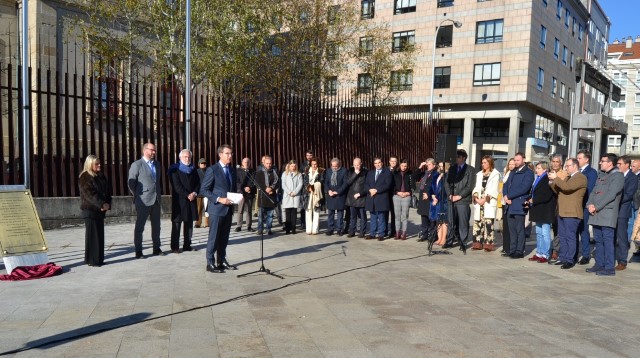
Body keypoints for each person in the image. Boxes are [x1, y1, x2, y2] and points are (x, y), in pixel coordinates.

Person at [585, 153, 624, 276]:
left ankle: (609, 267)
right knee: (598, 240)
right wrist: (589, 205)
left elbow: (611, 194)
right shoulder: (601, 175)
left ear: (610, 163)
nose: (600, 163)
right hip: (595, 212)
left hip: (607, 212)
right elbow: (593, 192)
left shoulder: (618, 176)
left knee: (607, 240)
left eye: (603, 161)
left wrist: (596, 206)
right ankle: (599, 264)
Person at [201, 144, 237, 273]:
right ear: (220, 154)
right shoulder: (212, 170)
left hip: (228, 209)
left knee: (224, 237)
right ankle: (210, 263)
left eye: (231, 153)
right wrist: (219, 199)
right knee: (214, 237)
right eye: (227, 153)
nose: (230, 156)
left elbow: (231, 188)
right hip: (216, 209)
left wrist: (238, 197)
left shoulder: (232, 170)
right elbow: (204, 190)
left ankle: (221, 261)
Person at [548, 158, 586, 269]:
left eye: (568, 166)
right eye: (566, 166)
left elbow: (567, 188)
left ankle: (570, 259)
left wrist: (557, 178)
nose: (566, 168)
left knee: (570, 237)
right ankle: (563, 257)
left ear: (575, 166)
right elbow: (559, 191)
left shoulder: (580, 177)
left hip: (572, 212)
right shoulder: (568, 177)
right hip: (562, 211)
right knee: (562, 237)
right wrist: (552, 182)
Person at [128, 142, 164, 258]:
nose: (154, 152)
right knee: (140, 227)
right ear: (145, 150)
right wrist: (137, 196)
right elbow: (131, 183)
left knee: (156, 226)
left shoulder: (157, 164)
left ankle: (156, 248)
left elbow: (156, 181)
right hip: (143, 200)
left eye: (155, 150)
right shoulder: (137, 164)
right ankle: (138, 251)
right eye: (152, 150)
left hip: (156, 200)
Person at [79, 155, 112, 267]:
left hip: (100, 211)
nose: (99, 165)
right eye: (96, 164)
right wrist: (101, 204)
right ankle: (93, 260)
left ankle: (99, 259)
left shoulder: (101, 176)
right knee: (92, 235)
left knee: (99, 235)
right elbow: (89, 194)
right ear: (90, 164)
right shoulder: (85, 177)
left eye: (99, 163)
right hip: (90, 210)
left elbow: (107, 191)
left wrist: (107, 203)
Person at [502, 152, 534, 259]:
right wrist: (506, 196)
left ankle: (519, 251)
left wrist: (510, 196)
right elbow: (505, 185)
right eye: (515, 160)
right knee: (511, 229)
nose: (515, 162)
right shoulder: (512, 172)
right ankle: (512, 249)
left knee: (519, 229)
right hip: (509, 204)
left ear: (523, 160)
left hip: (518, 204)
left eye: (518, 160)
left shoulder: (528, 173)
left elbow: (524, 188)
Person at [168, 149, 200, 253]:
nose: (187, 159)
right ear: (180, 158)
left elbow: (198, 183)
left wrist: (194, 193)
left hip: (191, 200)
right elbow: (176, 186)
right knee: (177, 224)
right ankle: (175, 246)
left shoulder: (193, 169)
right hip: (179, 201)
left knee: (189, 224)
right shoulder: (175, 169)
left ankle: (187, 245)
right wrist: (187, 194)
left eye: (189, 157)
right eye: (185, 157)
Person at [444, 149, 475, 249]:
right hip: (451, 199)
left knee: (463, 223)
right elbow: (446, 182)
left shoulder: (470, 170)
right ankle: (449, 241)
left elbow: (470, 186)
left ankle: (463, 242)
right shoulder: (452, 168)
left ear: (463, 158)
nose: (456, 159)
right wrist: (449, 194)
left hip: (463, 200)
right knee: (450, 222)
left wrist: (459, 196)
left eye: (458, 157)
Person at [527, 161, 556, 263]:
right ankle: (539, 252)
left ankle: (546, 254)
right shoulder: (538, 178)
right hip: (538, 209)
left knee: (545, 233)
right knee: (538, 232)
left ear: (545, 169)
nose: (536, 170)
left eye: (539, 168)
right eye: (536, 168)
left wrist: (534, 200)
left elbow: (547, 194)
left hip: (545, 209)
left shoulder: (547, 178)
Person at [471, 155, 501, 252]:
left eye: (485, 163)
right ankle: (477, 243)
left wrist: (485, 199)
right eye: (482, 162)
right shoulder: (479, 174)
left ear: (490, 163)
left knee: (488, 223)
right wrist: (476, 197)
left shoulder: (495, 174)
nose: (483, 164)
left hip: (488, 201)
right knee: (477, 222)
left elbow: (494, 189)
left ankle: (488, 244)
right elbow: (476, 187)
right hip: (479, 201)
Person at [614, 155, 638, 271]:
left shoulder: (632, 177)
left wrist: (615, 199)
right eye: (617, 164)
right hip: (612, 210)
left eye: (620, 164)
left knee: (621, 236)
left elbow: (629, 195)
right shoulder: (616, 175)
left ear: (627, 165)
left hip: (622, 210)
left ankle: (622, 261)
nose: (617, 166)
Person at [576, 150, 598, 265]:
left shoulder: (591, 172)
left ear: (586, 159)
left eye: (579, 158)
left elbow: (589, 190)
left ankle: (585, 254)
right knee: (574, 230)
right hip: (574, 206)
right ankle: (574, 253)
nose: (577, 160)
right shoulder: (576, 171)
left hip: (584, 205)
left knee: (583, 230)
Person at [365, 157, 393, 241]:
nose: (377, 164)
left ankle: (381, 234)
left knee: (381, 217)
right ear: (374, 164)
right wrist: (370, 190)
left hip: (381, 198)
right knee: (373, 217)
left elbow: (387, 185)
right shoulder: (370, 173)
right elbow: (366, 184)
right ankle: (372, 233)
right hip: (372, 198)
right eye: (376, 163)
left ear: (382, 163)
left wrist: (377, 190)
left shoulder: (387, 172)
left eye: (379, 163)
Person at [548, 154, 568, 264]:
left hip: (559, 205)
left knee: (558, 229)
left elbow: (560, 189)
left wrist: (553, 181)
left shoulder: (563, 174)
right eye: (553, 161)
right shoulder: (549, 172)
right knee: (553, 228)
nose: (555, 163)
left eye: (557, 162)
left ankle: (556, 251)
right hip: (549, 204)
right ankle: (553, 248)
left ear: (561, 163)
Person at [324, 158, 349, 236]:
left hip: (340, 195)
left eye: (336, 166)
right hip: (331, 195)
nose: (334, 167)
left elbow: (345, 183)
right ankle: (330, 229)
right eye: (333, 166)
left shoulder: (344, 171)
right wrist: (328, 191)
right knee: (330, 213)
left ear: (339, 165)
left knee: (340, 214)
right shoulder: (328, 171)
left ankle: (339, 229)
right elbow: (326, 183)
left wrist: (338, 191)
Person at [255, 156, 279, 235]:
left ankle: (268, 229)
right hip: (263, 196)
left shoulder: (274, 172)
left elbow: (278, 182)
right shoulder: (259, 172)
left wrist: (271, 188)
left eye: (270, 163)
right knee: (261, 216)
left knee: (270, 215)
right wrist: (265, 188)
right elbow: (258, 183)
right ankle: (260, 229)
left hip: (271, 196)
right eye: (267, 163)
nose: (269, 165)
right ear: (263, 163)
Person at [346, 158, 368, 238]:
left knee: (362, 216)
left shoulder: (365, 172)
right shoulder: (350, 171)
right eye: (355, 165)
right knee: (353, 216)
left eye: (358, 165)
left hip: (361, 197)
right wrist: (355, 173)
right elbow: (348, 182)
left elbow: (367, 186)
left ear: (361, 163)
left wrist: (360, 194)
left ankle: (362, 231)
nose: (356, 167)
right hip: (352, 197)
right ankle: (352, 231)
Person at [392, 159, 414, 240]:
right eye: (402, 166)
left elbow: (413, 186)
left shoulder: (410, 173)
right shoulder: (395, 173)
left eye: (405, 166)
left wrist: (408, 193)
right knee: (397, 216)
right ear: (399, 165)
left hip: (406, 196)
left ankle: (404, 233)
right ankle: (397, 233)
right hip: (397, 196)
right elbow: (392, 185)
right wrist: (397, 192)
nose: (403, 168)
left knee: (405, 215)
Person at [415, 159, 437, 242]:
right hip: (422, 197)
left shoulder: (435, 173)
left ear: (434, 165)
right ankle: (424, 234)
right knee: (423, 216)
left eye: (430, 164)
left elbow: (434, 185)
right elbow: (415, 177)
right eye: (427, 164)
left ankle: (432, 235)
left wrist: (428, 193)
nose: (428, 166)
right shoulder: (425, 173)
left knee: (430, 217)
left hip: (430, 197)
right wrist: (420, 167)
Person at [303, 158, 324, 235]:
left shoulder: (321, 171)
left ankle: (315, 229)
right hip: (307, 194)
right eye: (312, 164)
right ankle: (308, 229)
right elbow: (304, 181)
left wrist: (313, 187)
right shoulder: (306, 171)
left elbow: (321, 181)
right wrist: (308, 187)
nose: (314, 166)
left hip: (316, 193)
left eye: (315, 164)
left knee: (316, 211)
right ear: (310, 164)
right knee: (308, 211)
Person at [281, 160, 303, 234]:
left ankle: (293, 228)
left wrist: (295, 192)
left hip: (295, 195)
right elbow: (283, 184)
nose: (293, 167)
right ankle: (287, 229)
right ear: (289, 166)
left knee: (294, 213)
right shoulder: (285, 174)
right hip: (288, 195)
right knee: (288, 213)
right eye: (292, 166)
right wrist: (289, 192)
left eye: (294, 166)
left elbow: (300, 184)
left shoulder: (299, 174)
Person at [235, 157, 256, 232]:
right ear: (242, 163)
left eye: (248, 162)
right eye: (245, 162)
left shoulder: (252, 171)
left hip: (250, 193)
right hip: (241, 193)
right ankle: (239, 226)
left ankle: (249, 226)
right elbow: (237, 182)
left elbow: (254, 181)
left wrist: (249, 187)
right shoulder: (238, 171)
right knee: (240, 210)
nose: (246, 163)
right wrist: (243, 188)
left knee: (249, 211)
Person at [430, 162, 449, 246]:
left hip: (443, 201)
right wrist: (433, 196)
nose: (441, 168)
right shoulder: (436, 175)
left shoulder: (447, 176)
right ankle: (439, 238)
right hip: (435, 200)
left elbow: (444, 190)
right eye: (440, 166)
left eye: (442, 166)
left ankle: (443, 238)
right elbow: (432, 186)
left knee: (444, 220)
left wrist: (437, 198)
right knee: (438, 220)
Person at [500, 158, 515, 256]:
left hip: (510, 202)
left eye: (513, 164)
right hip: (503, 202)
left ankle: (510, 247)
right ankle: (505, 246)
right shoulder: (506, 173)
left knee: (510, 227)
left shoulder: (514, 174)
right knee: (505, 226)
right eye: (510, 164)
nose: (511, 166)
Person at [385, 156, 399, 238]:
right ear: (389, 162)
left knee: (394, 214)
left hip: (394, 194)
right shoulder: (385, 170)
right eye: (392, 161)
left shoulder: (398, 171)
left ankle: (393, 231)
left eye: (395, 161)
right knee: (385, 213)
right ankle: (385, 230)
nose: (393, 163)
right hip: (386, 195)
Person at [195, 158, 209, 229]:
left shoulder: (208, 171)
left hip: (207, 193)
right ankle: (198, 223)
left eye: (204, 163)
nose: (203, 165)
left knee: (207, 208)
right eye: (202, 163)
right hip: (199, 193)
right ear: (199, 164)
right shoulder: (196, 172)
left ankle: (207, 222)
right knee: (198, 209)